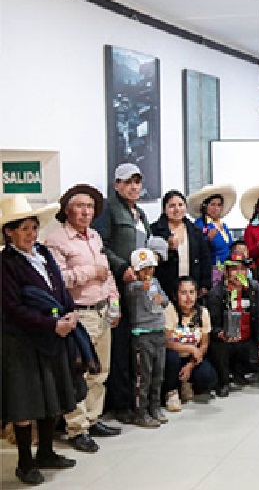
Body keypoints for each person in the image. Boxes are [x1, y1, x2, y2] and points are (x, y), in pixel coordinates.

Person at [1, 196, 79, 485]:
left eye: (34, 228)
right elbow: (12, 308)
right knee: (25, 404)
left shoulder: (43, 254)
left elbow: (59, 287)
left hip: (53, 337)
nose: (31, 234)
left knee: (53, 396)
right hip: (21, 342)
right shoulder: (5, 263)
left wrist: (70, 313)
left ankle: (46, 452)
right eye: (24, 228)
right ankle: (24, 462)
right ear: (9, 231)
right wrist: (51, 324)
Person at [45, 184, 122, 453]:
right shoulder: (56, 240)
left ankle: (93, 418)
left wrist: (114, 303)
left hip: (102, 310)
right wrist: (89, 272)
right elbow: (57, 280)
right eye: (79, 206)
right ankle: (76, 427)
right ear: (67, 209)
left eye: (90, 207)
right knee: (77, 373)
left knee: (100, 372)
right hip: (79, 313)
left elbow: (108, 273)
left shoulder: (95, 237)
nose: (85, 212)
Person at [92, 162, 150, 424]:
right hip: (116, 286)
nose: (133, 186)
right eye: (127, 182)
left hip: (138, 288)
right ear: (116, 185)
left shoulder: (139, 213)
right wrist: (121, 266)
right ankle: (121, 404)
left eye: (137, 181)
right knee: (120, 346)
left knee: (135, 346)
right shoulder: (108, 210)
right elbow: (100, 245)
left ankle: (139, 399)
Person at [206, 252, 259, 397]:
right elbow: (212, 324)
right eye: (234, 269)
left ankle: (238, 371)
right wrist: (221, 333)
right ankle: (223, 381)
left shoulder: (255, 289)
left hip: (247, 338)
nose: (239, 273)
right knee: (219, 347)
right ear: (227, 272)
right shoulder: (216, 293)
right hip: (225, 341)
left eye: (242, 269)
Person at [125, 248, 170, 428]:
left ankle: (155, 406)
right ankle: (141, 411)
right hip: (142, 334)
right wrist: (138, 285)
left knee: (158, 373)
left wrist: (162, 299)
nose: (148, 273)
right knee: (143, 375)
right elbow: (130, 293)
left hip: (158, 330)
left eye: (151, 268)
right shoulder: (132, 285)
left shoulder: (156, 282)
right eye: (143, 269)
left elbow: (166, 301)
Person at [162, 276, 217, 412]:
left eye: (192, 292)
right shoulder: (170, 310)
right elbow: (165, 341)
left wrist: (191, 365)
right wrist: (190, 348)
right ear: (176, 295)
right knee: (172, 358)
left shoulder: (203, 312)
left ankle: (187, 384)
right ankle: (171, 392)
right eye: (183, 293)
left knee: (208, 376)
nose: (188, 297)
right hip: (173, 355)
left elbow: (204, 344)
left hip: (192, 357)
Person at [150, 189, 212, 301]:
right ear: (164, 209)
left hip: (191, 289)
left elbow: (205, 258)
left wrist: (205, 285)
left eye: (180, 205)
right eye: (172, 206)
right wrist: (166, 247)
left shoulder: (195, 230)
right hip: (164, 288)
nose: (177, 209)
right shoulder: (154, 230)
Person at [187, 184, 236, 286]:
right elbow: (196, 249)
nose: (216, 208)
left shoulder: (223, 225)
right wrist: (207, 240)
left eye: (219, 205)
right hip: (211, 272)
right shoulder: (199, 224)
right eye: (212, 204)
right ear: (205, 206)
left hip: (228, 270)